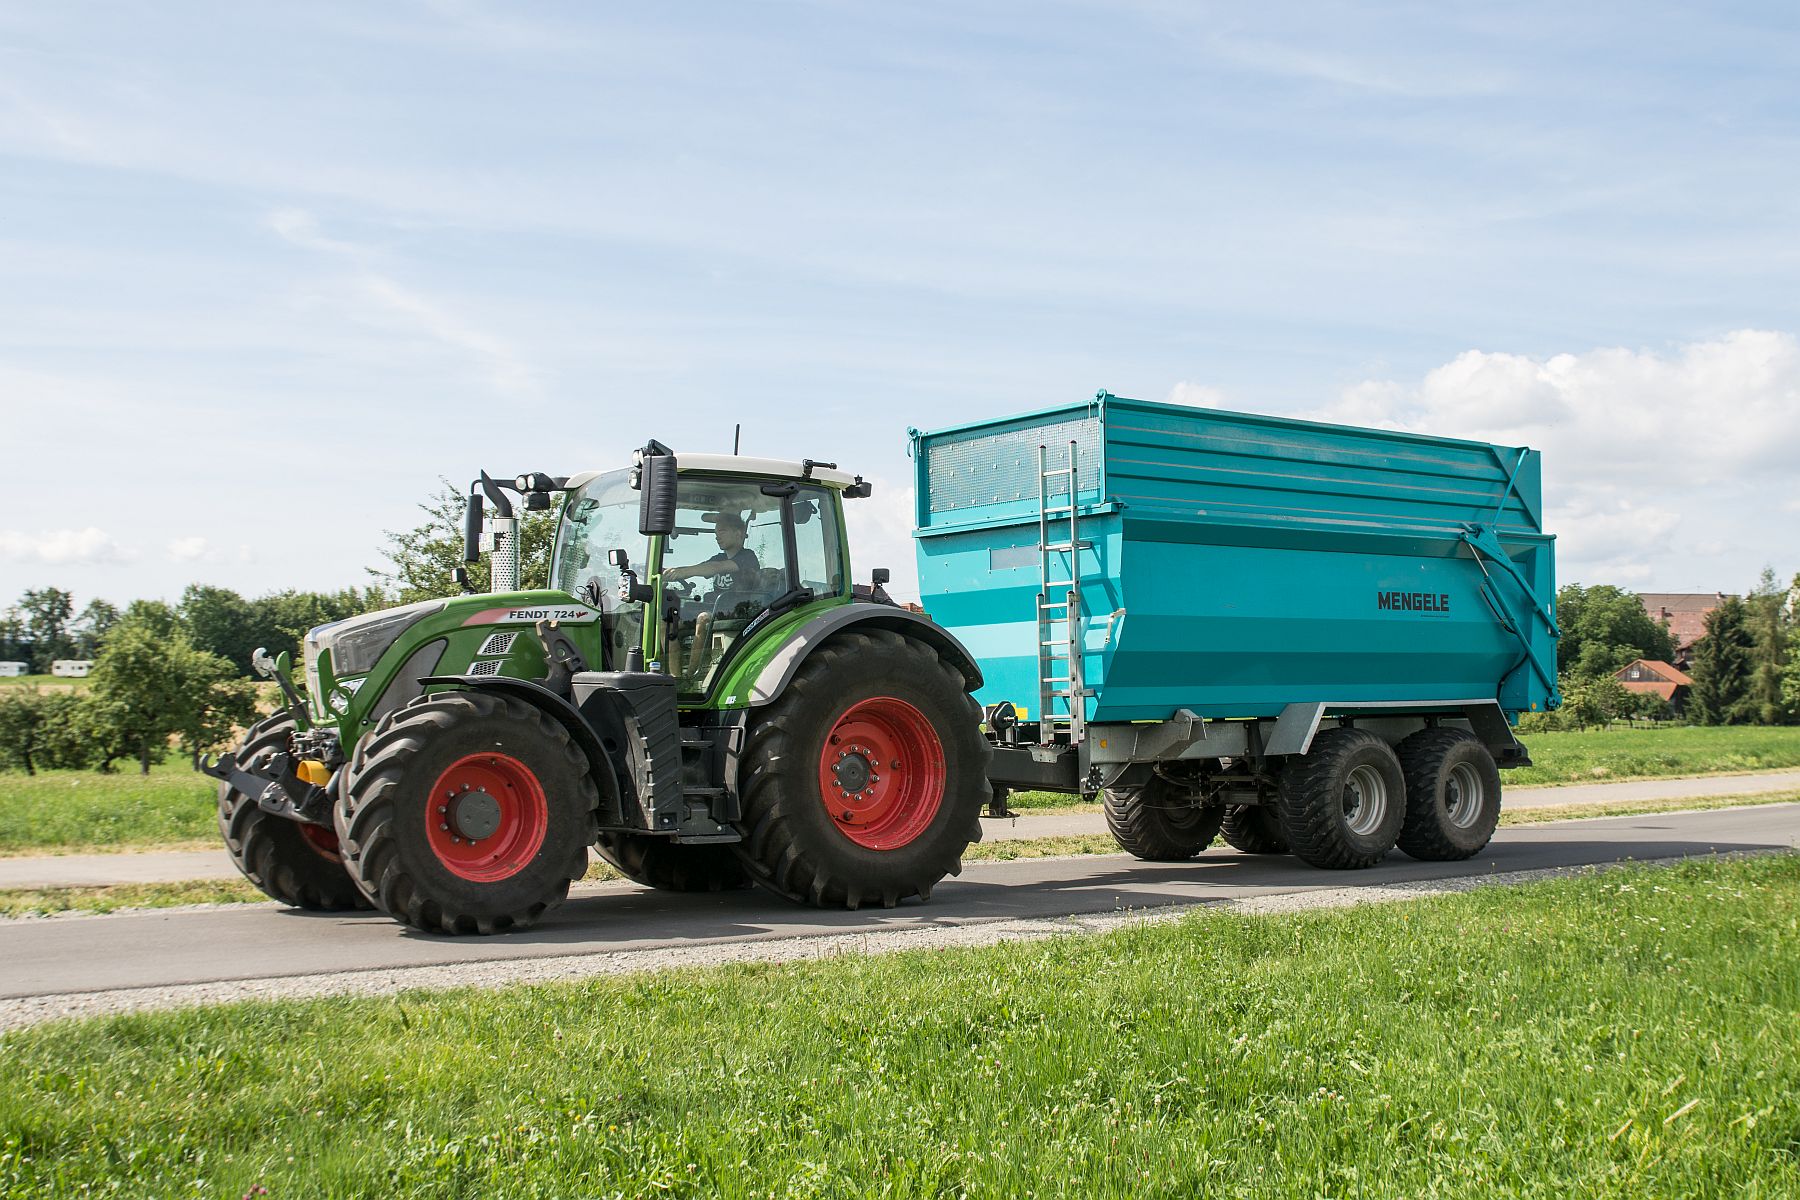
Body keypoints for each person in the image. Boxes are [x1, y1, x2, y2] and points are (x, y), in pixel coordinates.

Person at [665, 511, 761, 590]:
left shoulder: (748, 557)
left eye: (722, 531)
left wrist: (683, 572)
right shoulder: (719, 558)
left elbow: (716, 567)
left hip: (742, 609)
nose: (717, 537)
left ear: (737, 533)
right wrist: (670, 573)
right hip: (717, 609)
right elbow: (700, 568)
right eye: (716, 533)